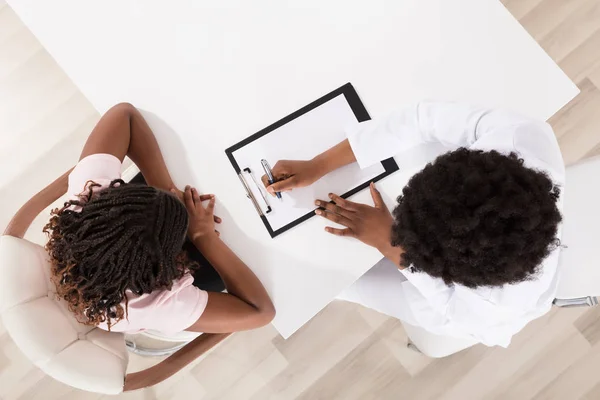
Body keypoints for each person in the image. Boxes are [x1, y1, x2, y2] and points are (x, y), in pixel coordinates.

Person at [262, 101, 563, 347]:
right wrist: (319, 165)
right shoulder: (520, 137)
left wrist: (389, 244)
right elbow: (422, 119)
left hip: (451, 306)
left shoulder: (493, 309)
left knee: (334, 283)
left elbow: (448, 304)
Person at [45, 103, 275, 334]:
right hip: (163, 284)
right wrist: (203, 236)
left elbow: (125, 114)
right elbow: (259, 311)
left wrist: (165, 188)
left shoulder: (86, 203)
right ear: (168, 258)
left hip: (112, 256)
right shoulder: (149, 306)